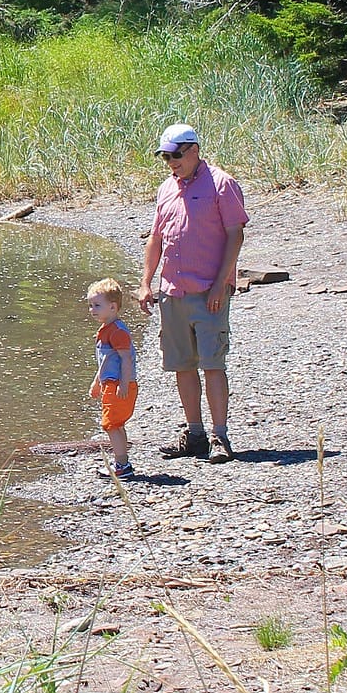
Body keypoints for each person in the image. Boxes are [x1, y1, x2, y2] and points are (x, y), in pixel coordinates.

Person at [136, 123, 247, 463]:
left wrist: (221, 283)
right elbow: (156, 238)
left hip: (208, 291)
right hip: (173, 292)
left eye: (176, 155)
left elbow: (235, 235)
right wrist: (146, 282)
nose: (171, 162)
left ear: (194, 149)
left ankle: (219, 436)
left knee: (213, 363)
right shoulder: (166, 189)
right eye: (165, 157)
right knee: (182, 365)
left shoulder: (222, 185)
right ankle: (194, 433)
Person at [87, 278, 139, 478]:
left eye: (97, 305)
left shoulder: (117, 331)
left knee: (110, 424)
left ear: (113, 307)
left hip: (119, 384)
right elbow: (106, 360)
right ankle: (122, 462)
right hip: (111, 383)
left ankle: (122, 465)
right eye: (91, 305)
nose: (92, 310)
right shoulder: (105, 329)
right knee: (116, 424)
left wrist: (124, 384)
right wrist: (97, 382)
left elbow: (126, 360)